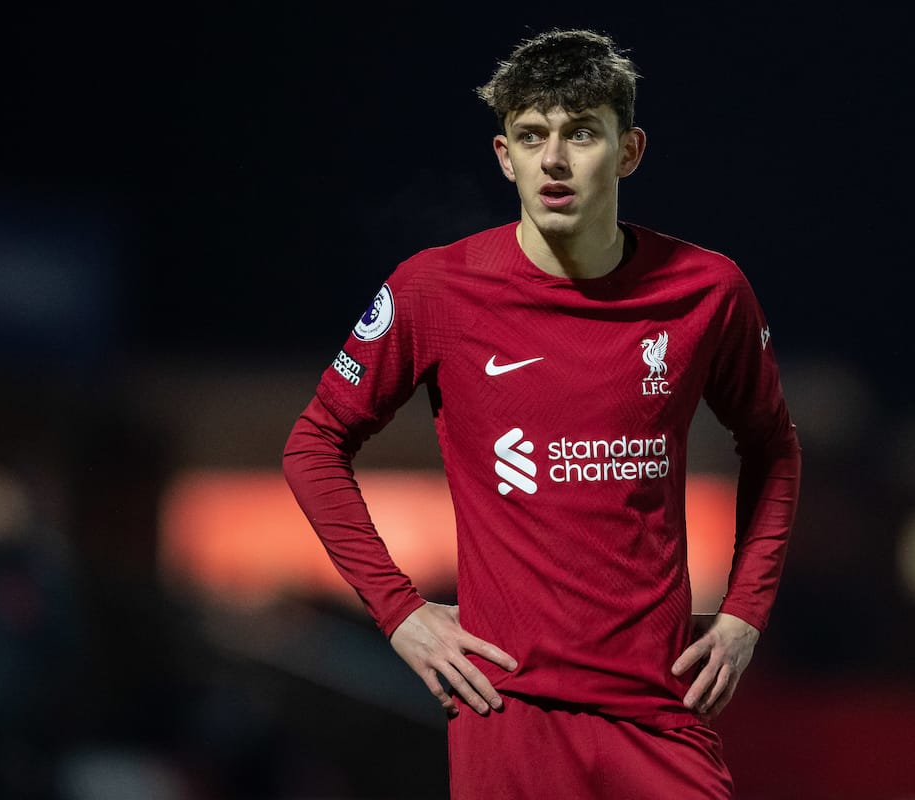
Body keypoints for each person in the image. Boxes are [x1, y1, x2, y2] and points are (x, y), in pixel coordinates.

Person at [283, 28, 801, 799]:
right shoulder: (435, 290)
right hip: (507, 709)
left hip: (658, 711)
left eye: (581, 133)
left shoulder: (709, 291)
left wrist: (747, 611)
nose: (554, 159)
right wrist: (401, 613)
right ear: (505, 156)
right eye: (532, 136)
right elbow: (313, 443)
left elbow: (774, 446)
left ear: (629, 151)